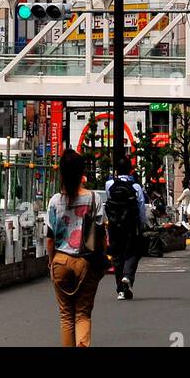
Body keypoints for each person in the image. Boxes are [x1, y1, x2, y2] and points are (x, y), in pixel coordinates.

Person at [46, 148, 107, 346]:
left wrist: (51, 262)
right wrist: (102, 260)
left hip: (60, 260)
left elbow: (50, 237)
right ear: (82, 172)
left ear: (62, 173)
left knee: (66, 315)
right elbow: (100, 234)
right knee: (82, 314)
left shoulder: (55, 201)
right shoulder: (93, 198)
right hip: (85, 260)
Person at [105, 155, 146, 299]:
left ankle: (121, 289)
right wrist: (142, 224)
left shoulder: (109, 184)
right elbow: (141, 207)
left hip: (114, 224)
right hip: (131, 224)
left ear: (116, 170)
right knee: (133, 252)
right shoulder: (136, 187)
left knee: (117, 255)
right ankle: (127, 276)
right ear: (130, 170)